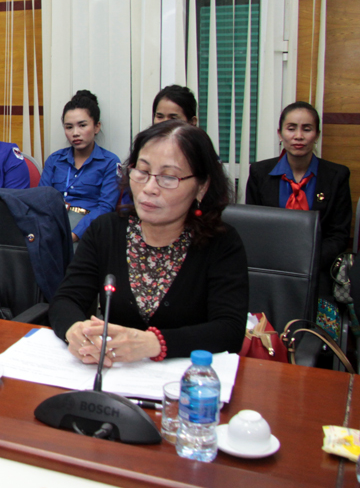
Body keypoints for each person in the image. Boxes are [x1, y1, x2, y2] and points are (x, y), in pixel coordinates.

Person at [50, 120, 248, 364]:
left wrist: (153, 343)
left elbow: (229, 330)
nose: (149, 188)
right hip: (115, 376)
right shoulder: (105, 230)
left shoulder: (222, 243)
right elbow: (65, 300)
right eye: (142, 172)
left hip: (187, 384)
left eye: (169, 177)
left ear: (201, 186)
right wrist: (75, 331)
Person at [246, 101, 351, 273]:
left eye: (307, 129)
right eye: (291, 128)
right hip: (270, 266)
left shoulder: (336, 176)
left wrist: (307, 263)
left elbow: (338, 236)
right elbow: (254, 229)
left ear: (317, 135)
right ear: (280, 134)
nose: (299, 136)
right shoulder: (260, 173)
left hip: (318, 268)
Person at [39, 90, 121, 241]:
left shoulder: (110, 162)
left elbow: (105, 208)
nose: (75, 133)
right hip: (53, 223)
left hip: (89, 227)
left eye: (82, 125)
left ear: (96, 127)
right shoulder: (54, 160)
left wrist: (75, 235)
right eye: (69, 127)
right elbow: (40, 200)